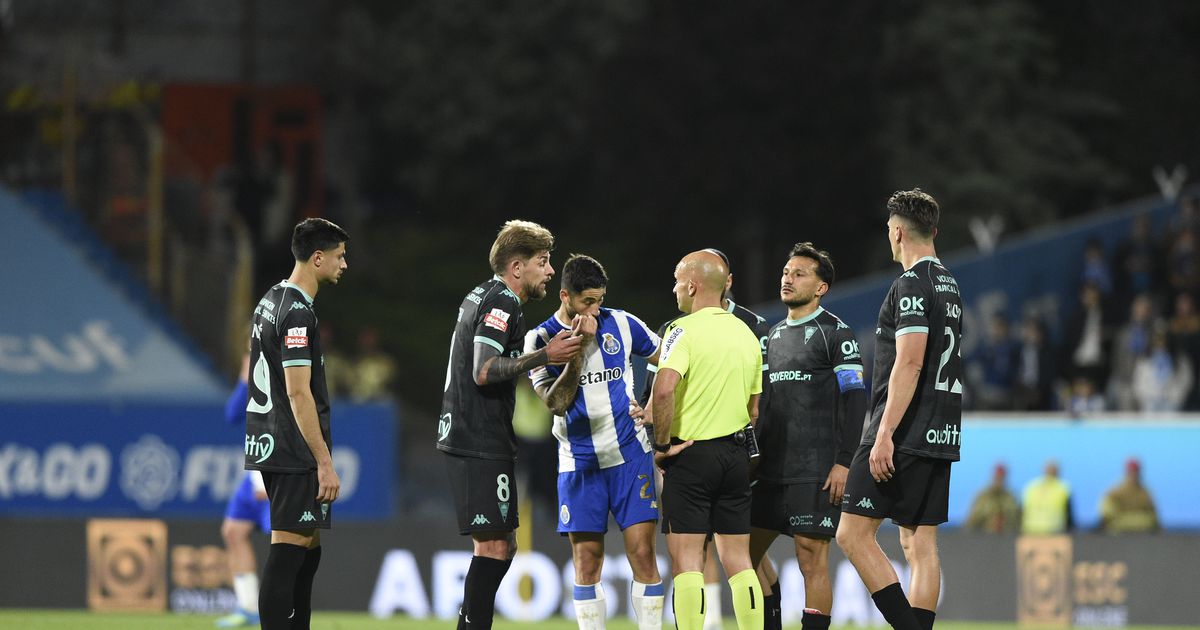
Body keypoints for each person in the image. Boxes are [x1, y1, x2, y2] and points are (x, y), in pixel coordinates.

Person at [437, 220, 583, 630]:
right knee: (495, 546)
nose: (550, 271)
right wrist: (545, 356)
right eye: (543, 261)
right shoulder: (502, 302)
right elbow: (484, 370)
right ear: (517, 267)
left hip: (476, 435)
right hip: (477, 438)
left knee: (503, 546)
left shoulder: (483, 295)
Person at [836, 189, 963, 630]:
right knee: (918, 543)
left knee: (851, 533)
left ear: (896, 232)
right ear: (934, 231)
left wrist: (885, 431)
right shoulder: (951, 285)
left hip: (904, 430)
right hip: (942, 432)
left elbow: (909, 361)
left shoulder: (910, 284)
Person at [525, 254, 665, 630]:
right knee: (587, 563)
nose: (596, 308)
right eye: (588, 301)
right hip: (579, 464)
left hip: (630, 457)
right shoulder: (539, 339)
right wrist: (580, 350)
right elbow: (555, 403)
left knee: (643, 554)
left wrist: (652, 405)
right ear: (565, 295)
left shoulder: (622, 322)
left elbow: (668, 359)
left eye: (600, 299)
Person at [640, 247, 777, 630]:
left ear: (693, 285)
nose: (674, 290)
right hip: (735, 458)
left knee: (687, 561)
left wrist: (663, 445)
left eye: (676, 282)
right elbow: (753, 409)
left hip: (691, 455)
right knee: (738, 559)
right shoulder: (748, 335)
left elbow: (663, 390)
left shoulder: (680, 330)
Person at [749, 243, 866, 630]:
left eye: (800, 273)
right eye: (786, 271)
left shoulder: (835, 333)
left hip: (815, 468)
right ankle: (773, 619)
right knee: (742, 553)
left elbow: (855, 399)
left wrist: (845, 461)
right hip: (768, 468)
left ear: (821, 288)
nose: (788, 278)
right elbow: (760, 404)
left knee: (810, 557)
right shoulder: (771, 336)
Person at [244, 217, 349, 630]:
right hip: (292, 447)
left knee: (308, 544)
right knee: (288, 549)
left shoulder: (271, 298)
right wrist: (323, 460)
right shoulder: (298, 315)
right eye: (340, 257)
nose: (345, 264)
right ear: (317, 257)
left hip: (272, 440)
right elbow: (297, 392)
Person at [216, 351, 272, 628]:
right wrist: (243, 376)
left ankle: (285, 607)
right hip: (253, 477)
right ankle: (249, 608)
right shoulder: (255, 378)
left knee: (287, 546)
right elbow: (232, 415)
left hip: (277, 476)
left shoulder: (283, 377)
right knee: (233, 532)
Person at [1099, 458, 1159, 534]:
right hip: (1118, 529)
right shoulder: (1115, 491)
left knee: (1147, 521)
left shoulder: (1145, 493)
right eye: (1131, 472)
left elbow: (1153, 517)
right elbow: (1107, 513)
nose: (1133, 475)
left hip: (1142, 532)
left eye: (1135, 472)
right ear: (1127, 472)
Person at [964, 463, 1020, 534]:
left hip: (1006, 538)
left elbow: (1017, 521)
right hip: (986, 538)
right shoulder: (983, 497)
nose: (1000, 480)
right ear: (994, 477)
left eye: (1002, 477)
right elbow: (971, 522)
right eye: (998, 477)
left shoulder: (1011, 498)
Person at [1021, 460, 1073, 535]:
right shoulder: (1063, 488)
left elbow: (1023, 509)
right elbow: (1069, 514)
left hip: (1031, 530)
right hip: (1054, 530)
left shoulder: (1031, 487)